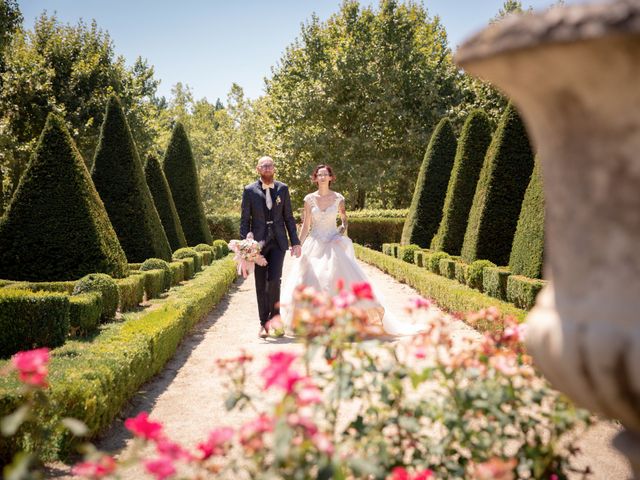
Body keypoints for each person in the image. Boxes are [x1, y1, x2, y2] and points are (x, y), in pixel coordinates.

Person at [280, 164, 425, 336]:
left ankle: (340, 324)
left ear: (331, 178)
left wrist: (340, 233)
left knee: (338, 281)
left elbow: (344, 221)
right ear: (315, 178)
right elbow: (306, 225)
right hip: (315, 243)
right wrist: (298, 244)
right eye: (319, 175)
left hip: (333, 243)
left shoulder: (338, 198)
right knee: (312, 279)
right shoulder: (309, 199)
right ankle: (314, 324)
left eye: (326, 174)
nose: (322, 177)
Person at [240, 156, 301, 338]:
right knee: (260, 283)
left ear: (274, 169)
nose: (267, 168)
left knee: (274, 280)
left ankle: (275, 319)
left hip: (278, 242)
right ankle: (263, 323)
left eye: (270, 165)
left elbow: (289, 217)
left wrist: (295, 241)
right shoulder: (249, 190)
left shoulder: (283, 189)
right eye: (264, 166)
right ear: (258, 169)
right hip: (257, 244)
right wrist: (247, 247)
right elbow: (245, 221)